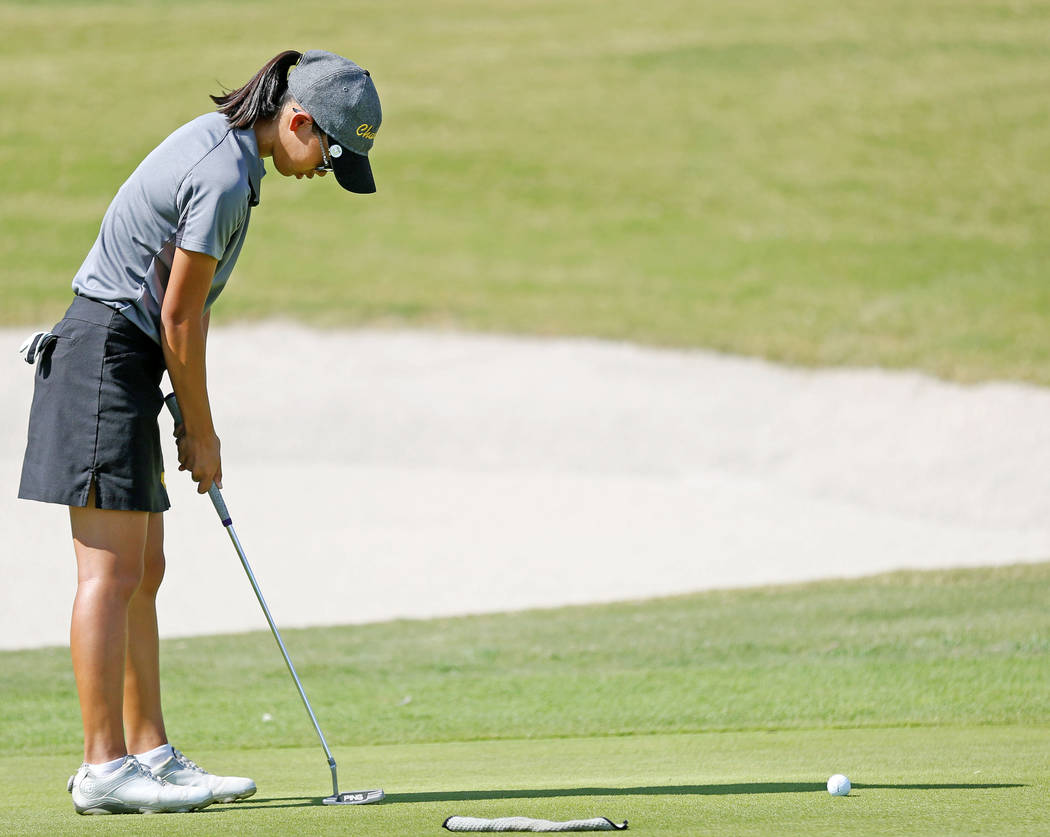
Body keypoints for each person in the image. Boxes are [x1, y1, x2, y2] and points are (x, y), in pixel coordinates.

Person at [17, 49, 381, 815]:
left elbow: (179, 314)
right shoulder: (221, 175)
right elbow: (179, 315)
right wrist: (205, 432)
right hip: (101, 360)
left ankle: (149, 753)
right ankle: (102, 766)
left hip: (127, 359)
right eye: (327, 154)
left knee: (142, 573)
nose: (322, 171)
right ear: (298, 120)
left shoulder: (230, 157)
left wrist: (186, 414)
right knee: (108, 577)